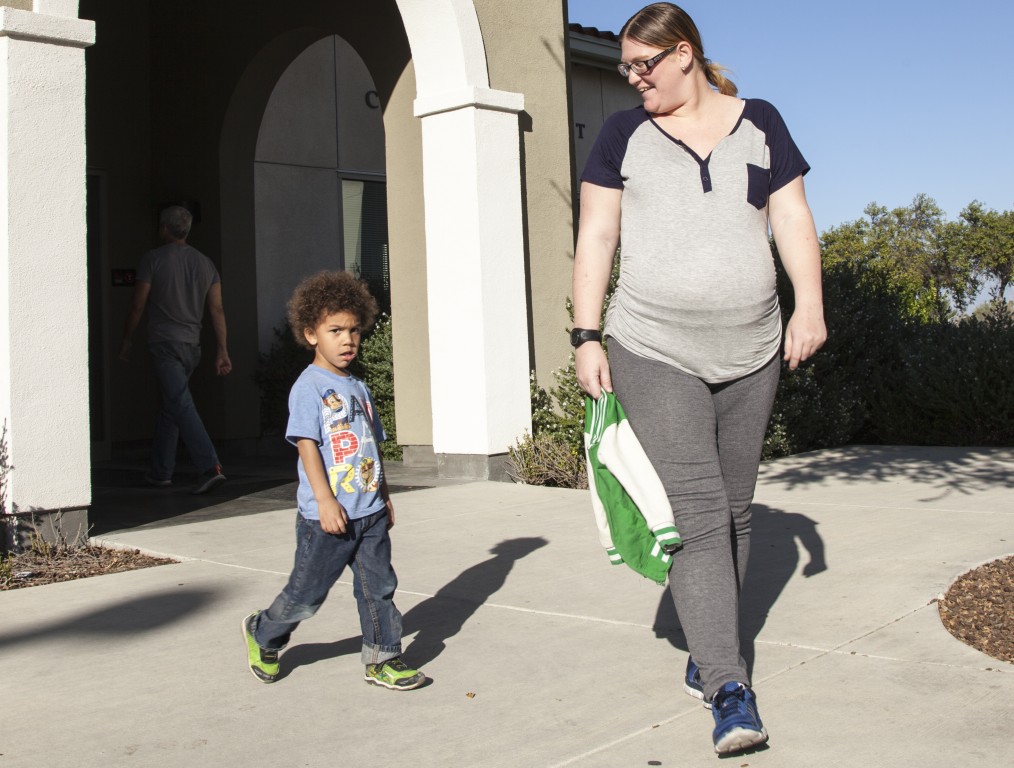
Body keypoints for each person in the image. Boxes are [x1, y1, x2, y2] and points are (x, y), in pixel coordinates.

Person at [572, 3, 826, 756]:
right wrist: (587, 334)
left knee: (737, 511)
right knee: (699, 506)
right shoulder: (625, 135)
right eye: (625, 68)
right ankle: (728, 686)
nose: (633, 79)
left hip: (750, 349)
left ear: (684, 54)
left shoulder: (762, 124)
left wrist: (808, 304)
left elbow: (792, 220)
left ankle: (705, 646)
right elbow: (598, 233)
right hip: (653, 346)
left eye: (642, 65)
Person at [241, 270, 425, 691]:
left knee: (379, 588)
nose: (347, 340)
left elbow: (370, 447)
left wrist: (385, 495)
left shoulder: (359, 387)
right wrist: (325, 501)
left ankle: (383, 658)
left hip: (370, 513)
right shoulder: (308, 387)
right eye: (335, 330)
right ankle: (264, 632)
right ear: (310, 334)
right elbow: (306, 446)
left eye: (354, 330)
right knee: (306, 596)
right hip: (327, 518)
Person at [118, 205, 231, 495]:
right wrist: (222, 349)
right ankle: (160, 472)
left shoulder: (153, 260)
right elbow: (216, 309)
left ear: (163, 229)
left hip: (164, 345)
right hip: (191, 346)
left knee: (179, 403)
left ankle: (210, 467)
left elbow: (138, 304)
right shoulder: (206, 264)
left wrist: (127, 338)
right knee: (172, 406)